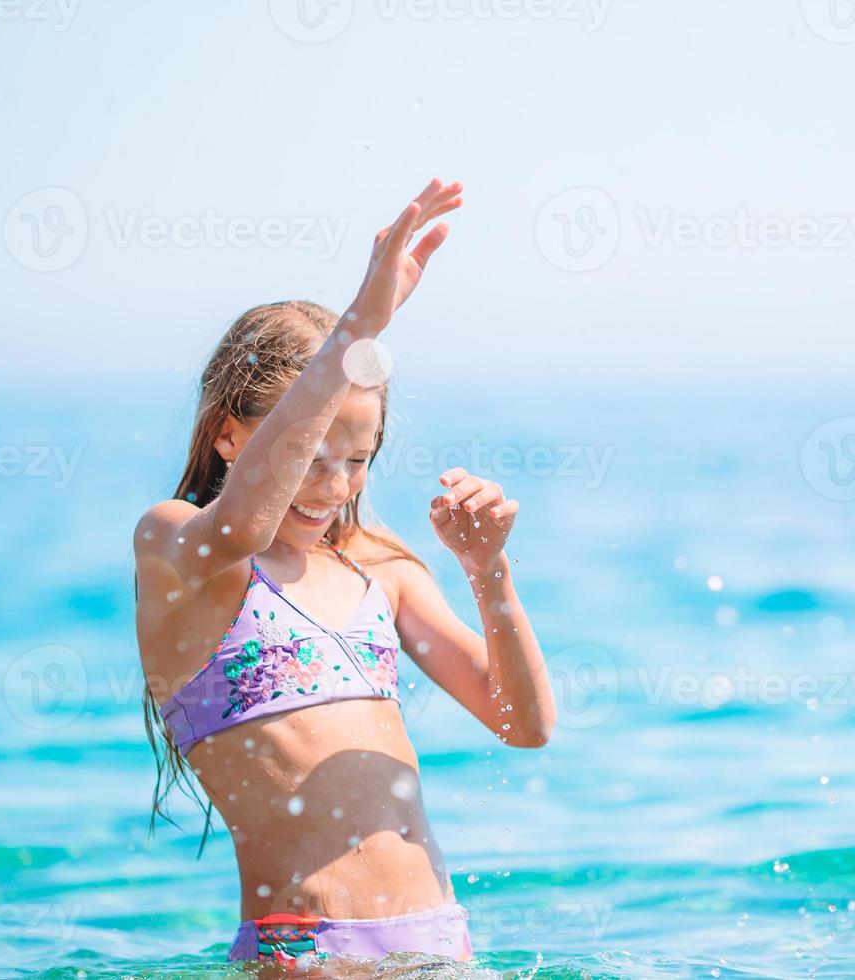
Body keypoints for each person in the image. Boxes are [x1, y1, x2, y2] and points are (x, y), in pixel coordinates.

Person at [132, 178, 556, 966]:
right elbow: (246, 522)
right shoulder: (180, 549)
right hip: (304, 953)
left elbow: (522, 724)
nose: (332, 485)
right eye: (309, 455)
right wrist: (359, 328)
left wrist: (489, 573)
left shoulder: (377, 570)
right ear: (231, 438)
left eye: (357, 460)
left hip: (438, 944)